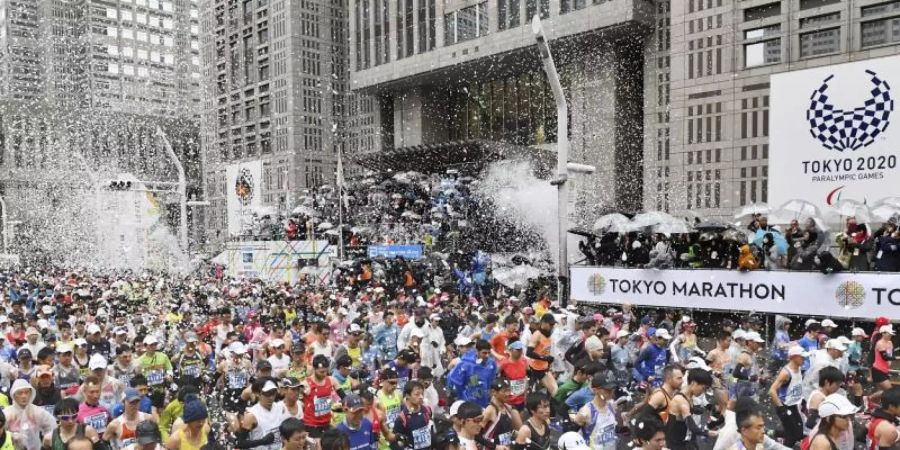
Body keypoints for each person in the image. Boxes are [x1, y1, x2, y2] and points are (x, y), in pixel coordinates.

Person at [665, 368, 716, 450]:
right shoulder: (681, 400)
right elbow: (692, 427)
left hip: (684, 440)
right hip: (675, 444)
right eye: (703, 388)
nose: (703, 392)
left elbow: (691, 410)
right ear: (694, 383)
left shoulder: (689, 398)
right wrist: (709, 433)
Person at [768, 346, 806, 447]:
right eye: (802, 357)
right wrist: (781, 408)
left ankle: (771, 433)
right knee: (792, 435)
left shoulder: (799, 368)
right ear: (794, 357)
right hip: (786, 406)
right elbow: (771, 391)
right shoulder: (786, 373)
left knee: (799, 433)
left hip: (794, 406)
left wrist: (802, 400)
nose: (804, 359)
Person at [5, 378, 57, 450]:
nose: (24, 396)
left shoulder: (38, 411)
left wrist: (47, 438)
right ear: (14, 395)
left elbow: (52, 425)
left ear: (31, 393)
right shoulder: (7, 413)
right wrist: (10, 435)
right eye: (20, 393)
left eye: (26, 392)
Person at [573, 371, 619, 450]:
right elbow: (573, 436)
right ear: (595, 390)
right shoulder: (586, 412)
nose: (611, 392)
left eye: (612, 389)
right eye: (607, 389)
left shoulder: (611, 406)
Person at [238, 378, 287, 450]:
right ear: (258, 394)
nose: (271, 397)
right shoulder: (251, 415)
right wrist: (262, 441)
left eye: (273, 392)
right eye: (267, 393)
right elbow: (240, 443)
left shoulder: (281, 408)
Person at [388, 381, 432, 450]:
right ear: (407, 395)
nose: (421, 397)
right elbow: (394, 444)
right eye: (417, 394)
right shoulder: (402, 418)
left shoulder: (427, 410)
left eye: (422, 394)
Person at [482, 379, 521, 448]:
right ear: (494, 392)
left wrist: (513, 435)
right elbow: (477, 436)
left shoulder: (507, 407)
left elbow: (503, 434)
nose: (507, 394)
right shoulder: (490, 410)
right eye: (504, 391)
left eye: (508, 390)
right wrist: (495, 446)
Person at [526, 314, 558, 396]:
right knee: (530, 394)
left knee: (555, 391)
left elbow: (546, 351)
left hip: (544, 369)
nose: (552, 326)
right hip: (533, 369)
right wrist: (545, 358)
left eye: (553, 324)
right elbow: (528, 352)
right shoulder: (537, 334)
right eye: (550, 324)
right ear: (543, 322)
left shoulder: (549, 334)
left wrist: (549, 363)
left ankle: (549, 406)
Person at [497, 341, 527, 411]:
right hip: (508, 400)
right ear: (510, 350)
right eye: (517, 350)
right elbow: (495, 378)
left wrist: (525, 394)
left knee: (520, 420)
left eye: (521, 350)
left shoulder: (524, 361)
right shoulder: (504, 363)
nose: (520, 352)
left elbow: (526, 378)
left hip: (521, 399)